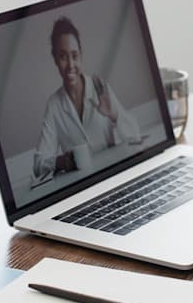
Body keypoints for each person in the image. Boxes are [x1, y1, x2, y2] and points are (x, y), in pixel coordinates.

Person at [32, 16, 141, 183]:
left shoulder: (100, 88)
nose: (70, 65)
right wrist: (62, 162)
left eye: (74, 56)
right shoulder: (54, 105)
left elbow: (135, 135)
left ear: (81, 55)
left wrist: (114, 115)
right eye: (62, 57)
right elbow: (38, 165)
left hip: (116, 179)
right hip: (82, 188)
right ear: (54, 58)